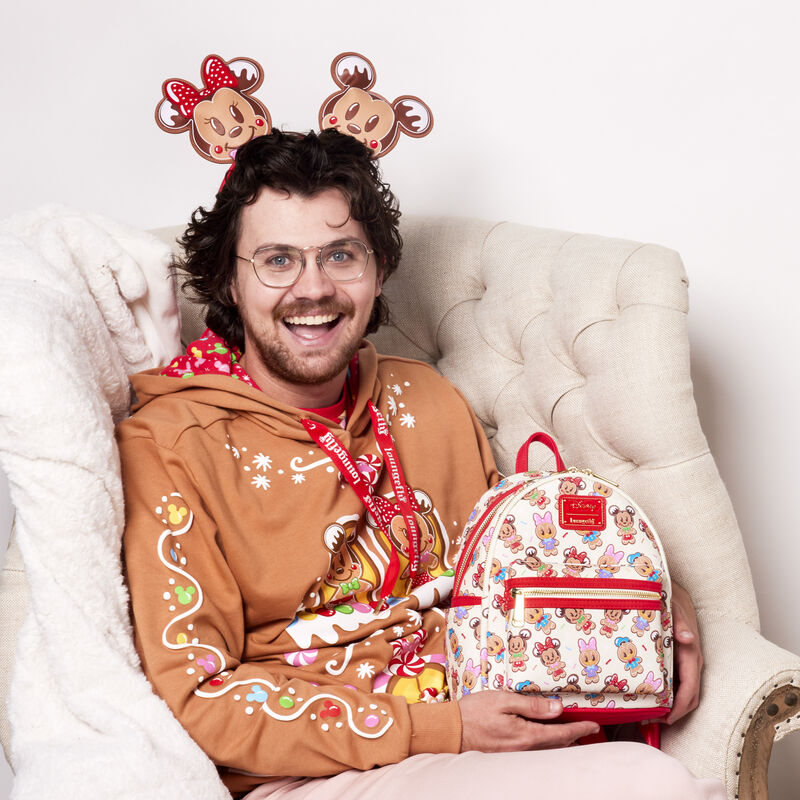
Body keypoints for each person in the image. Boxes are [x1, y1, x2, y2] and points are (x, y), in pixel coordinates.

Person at [119, 129, 725, 799]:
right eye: (277, 260)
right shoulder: (171, 445)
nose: (312, 288)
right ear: (229, 282)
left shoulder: (424, 397)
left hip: (489, 728)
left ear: (377, 269)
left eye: (340, 255)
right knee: (648, 788)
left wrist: (662, 605)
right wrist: (441, 728)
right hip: (314, 773)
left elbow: (523, 557)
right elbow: (197, 695)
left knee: (651, 782)